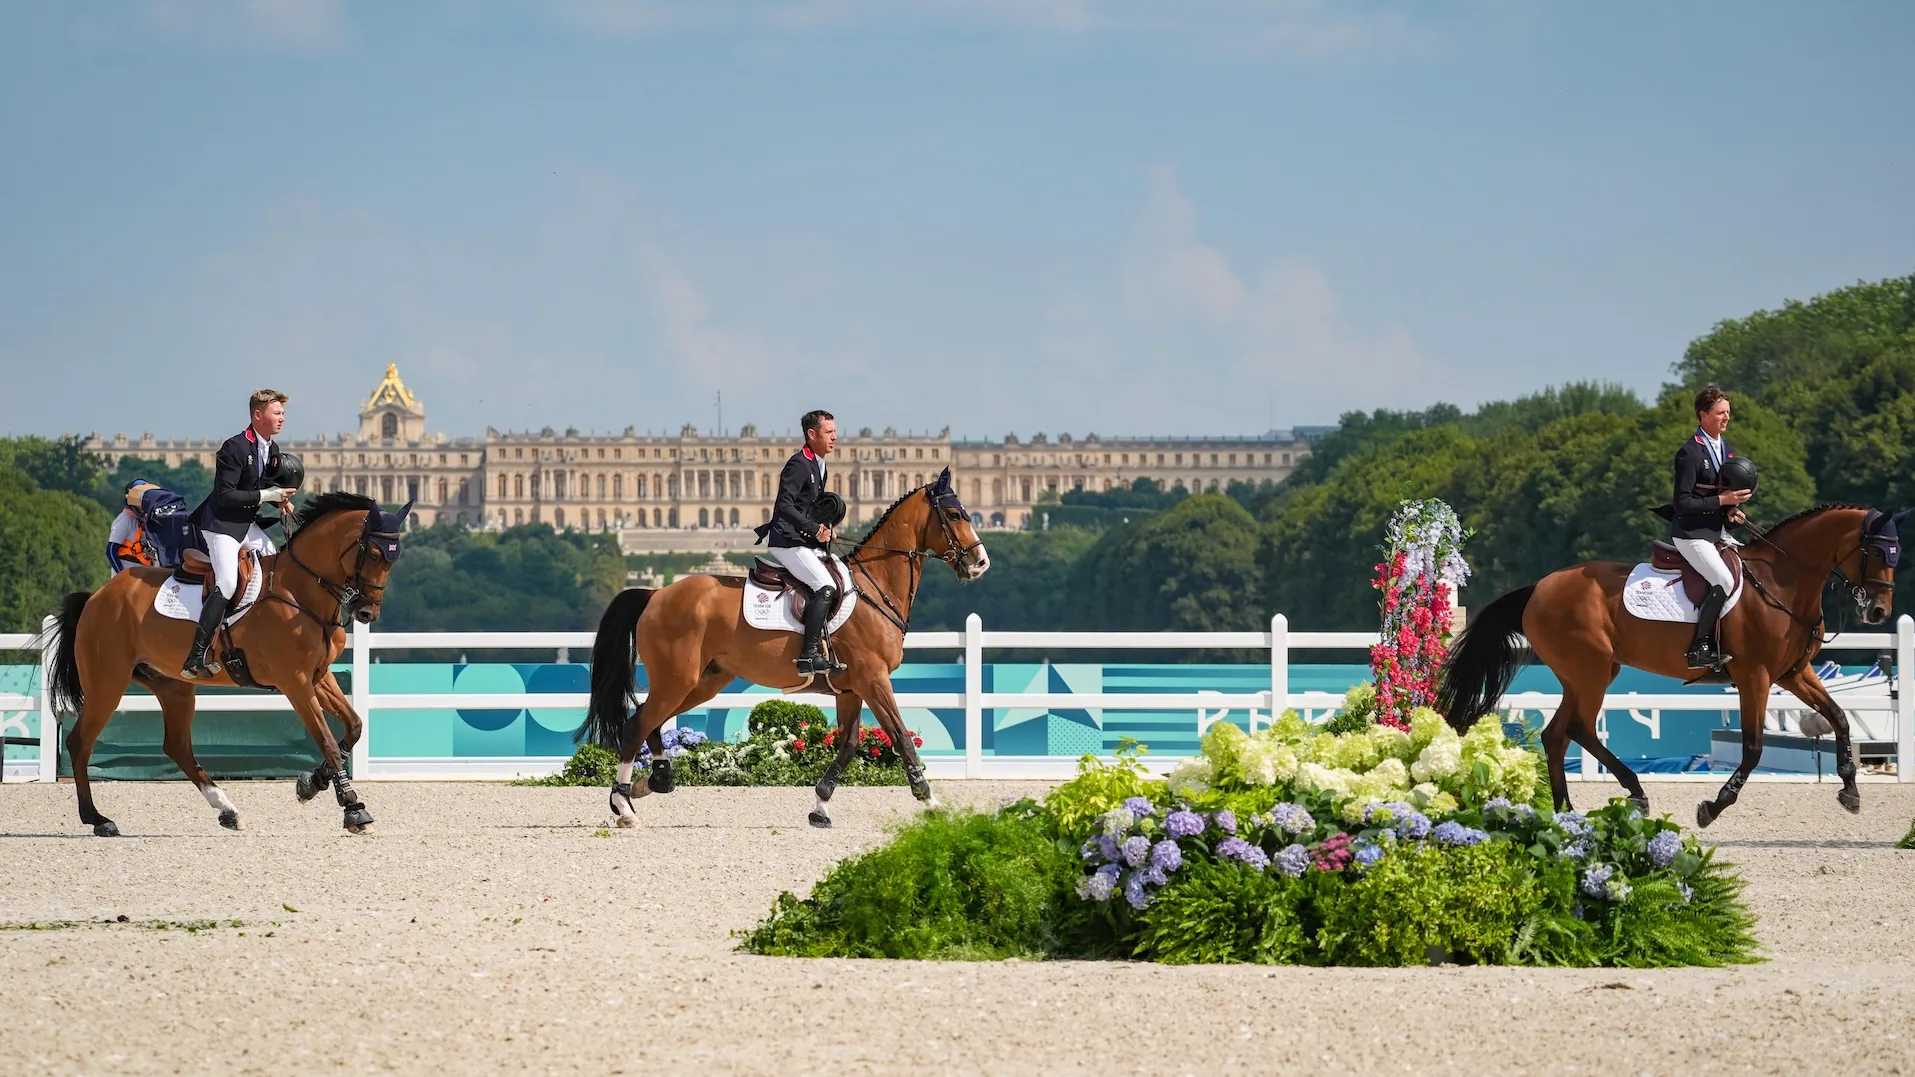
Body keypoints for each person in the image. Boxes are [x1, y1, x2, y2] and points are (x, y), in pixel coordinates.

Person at [182, 389, 297, 679]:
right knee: (228, 582)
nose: (282, 418)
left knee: (278, 569)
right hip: (221, 525)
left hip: (246, 525)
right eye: (276, 413)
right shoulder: (233, 448)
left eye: (283, 413)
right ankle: (196, 655)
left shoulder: (271, 449)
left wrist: (280, 499)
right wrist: (266, 494)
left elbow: (263, 491)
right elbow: (225, 495)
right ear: (258, 415)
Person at [752, 409, 846, 675]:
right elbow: (784, 506)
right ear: (811, 434)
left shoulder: (819, 463)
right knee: (825, 586)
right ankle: (808, 654)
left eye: (834, 432)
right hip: (787, 541)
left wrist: (826, 528)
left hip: (803, 540)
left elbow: (810, 507)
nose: (834, 438)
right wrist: (815, 530)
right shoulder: (799, 463)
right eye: (829, 432)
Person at [1671, 385, 1753, 669]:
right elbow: (1683, 502)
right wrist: (1722, 500)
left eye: (1728, 413)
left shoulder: (1725, 449)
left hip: (1717, 532)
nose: (1726, 418)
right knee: (1725, 581)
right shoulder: (1690, 453)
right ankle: (1700, 647)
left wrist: (1732, 510)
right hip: (1692, 535)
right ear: (1703, 415)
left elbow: (1722, 496)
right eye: (1720, 413)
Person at [106, 480, 162, 574]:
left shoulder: (148, 522)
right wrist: (122, 575)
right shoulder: (124, 519)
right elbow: (111, 551)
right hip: (127, 576)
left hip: (144, 576)